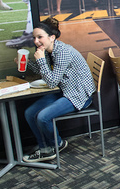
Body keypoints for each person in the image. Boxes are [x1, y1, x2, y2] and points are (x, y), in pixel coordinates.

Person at [22, 17, 96, 163]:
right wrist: (28, 62)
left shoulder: (63, 52)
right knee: (29, 113)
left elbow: (51, 82)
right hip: (64, 90)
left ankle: (57, 144)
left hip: (78, 94)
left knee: (43, 117)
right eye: (34, 38)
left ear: (52, 37)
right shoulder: (50, 50)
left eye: (40, 37)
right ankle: (45, 149)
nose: (36, 41)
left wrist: (41, 60)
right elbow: (46, 74)